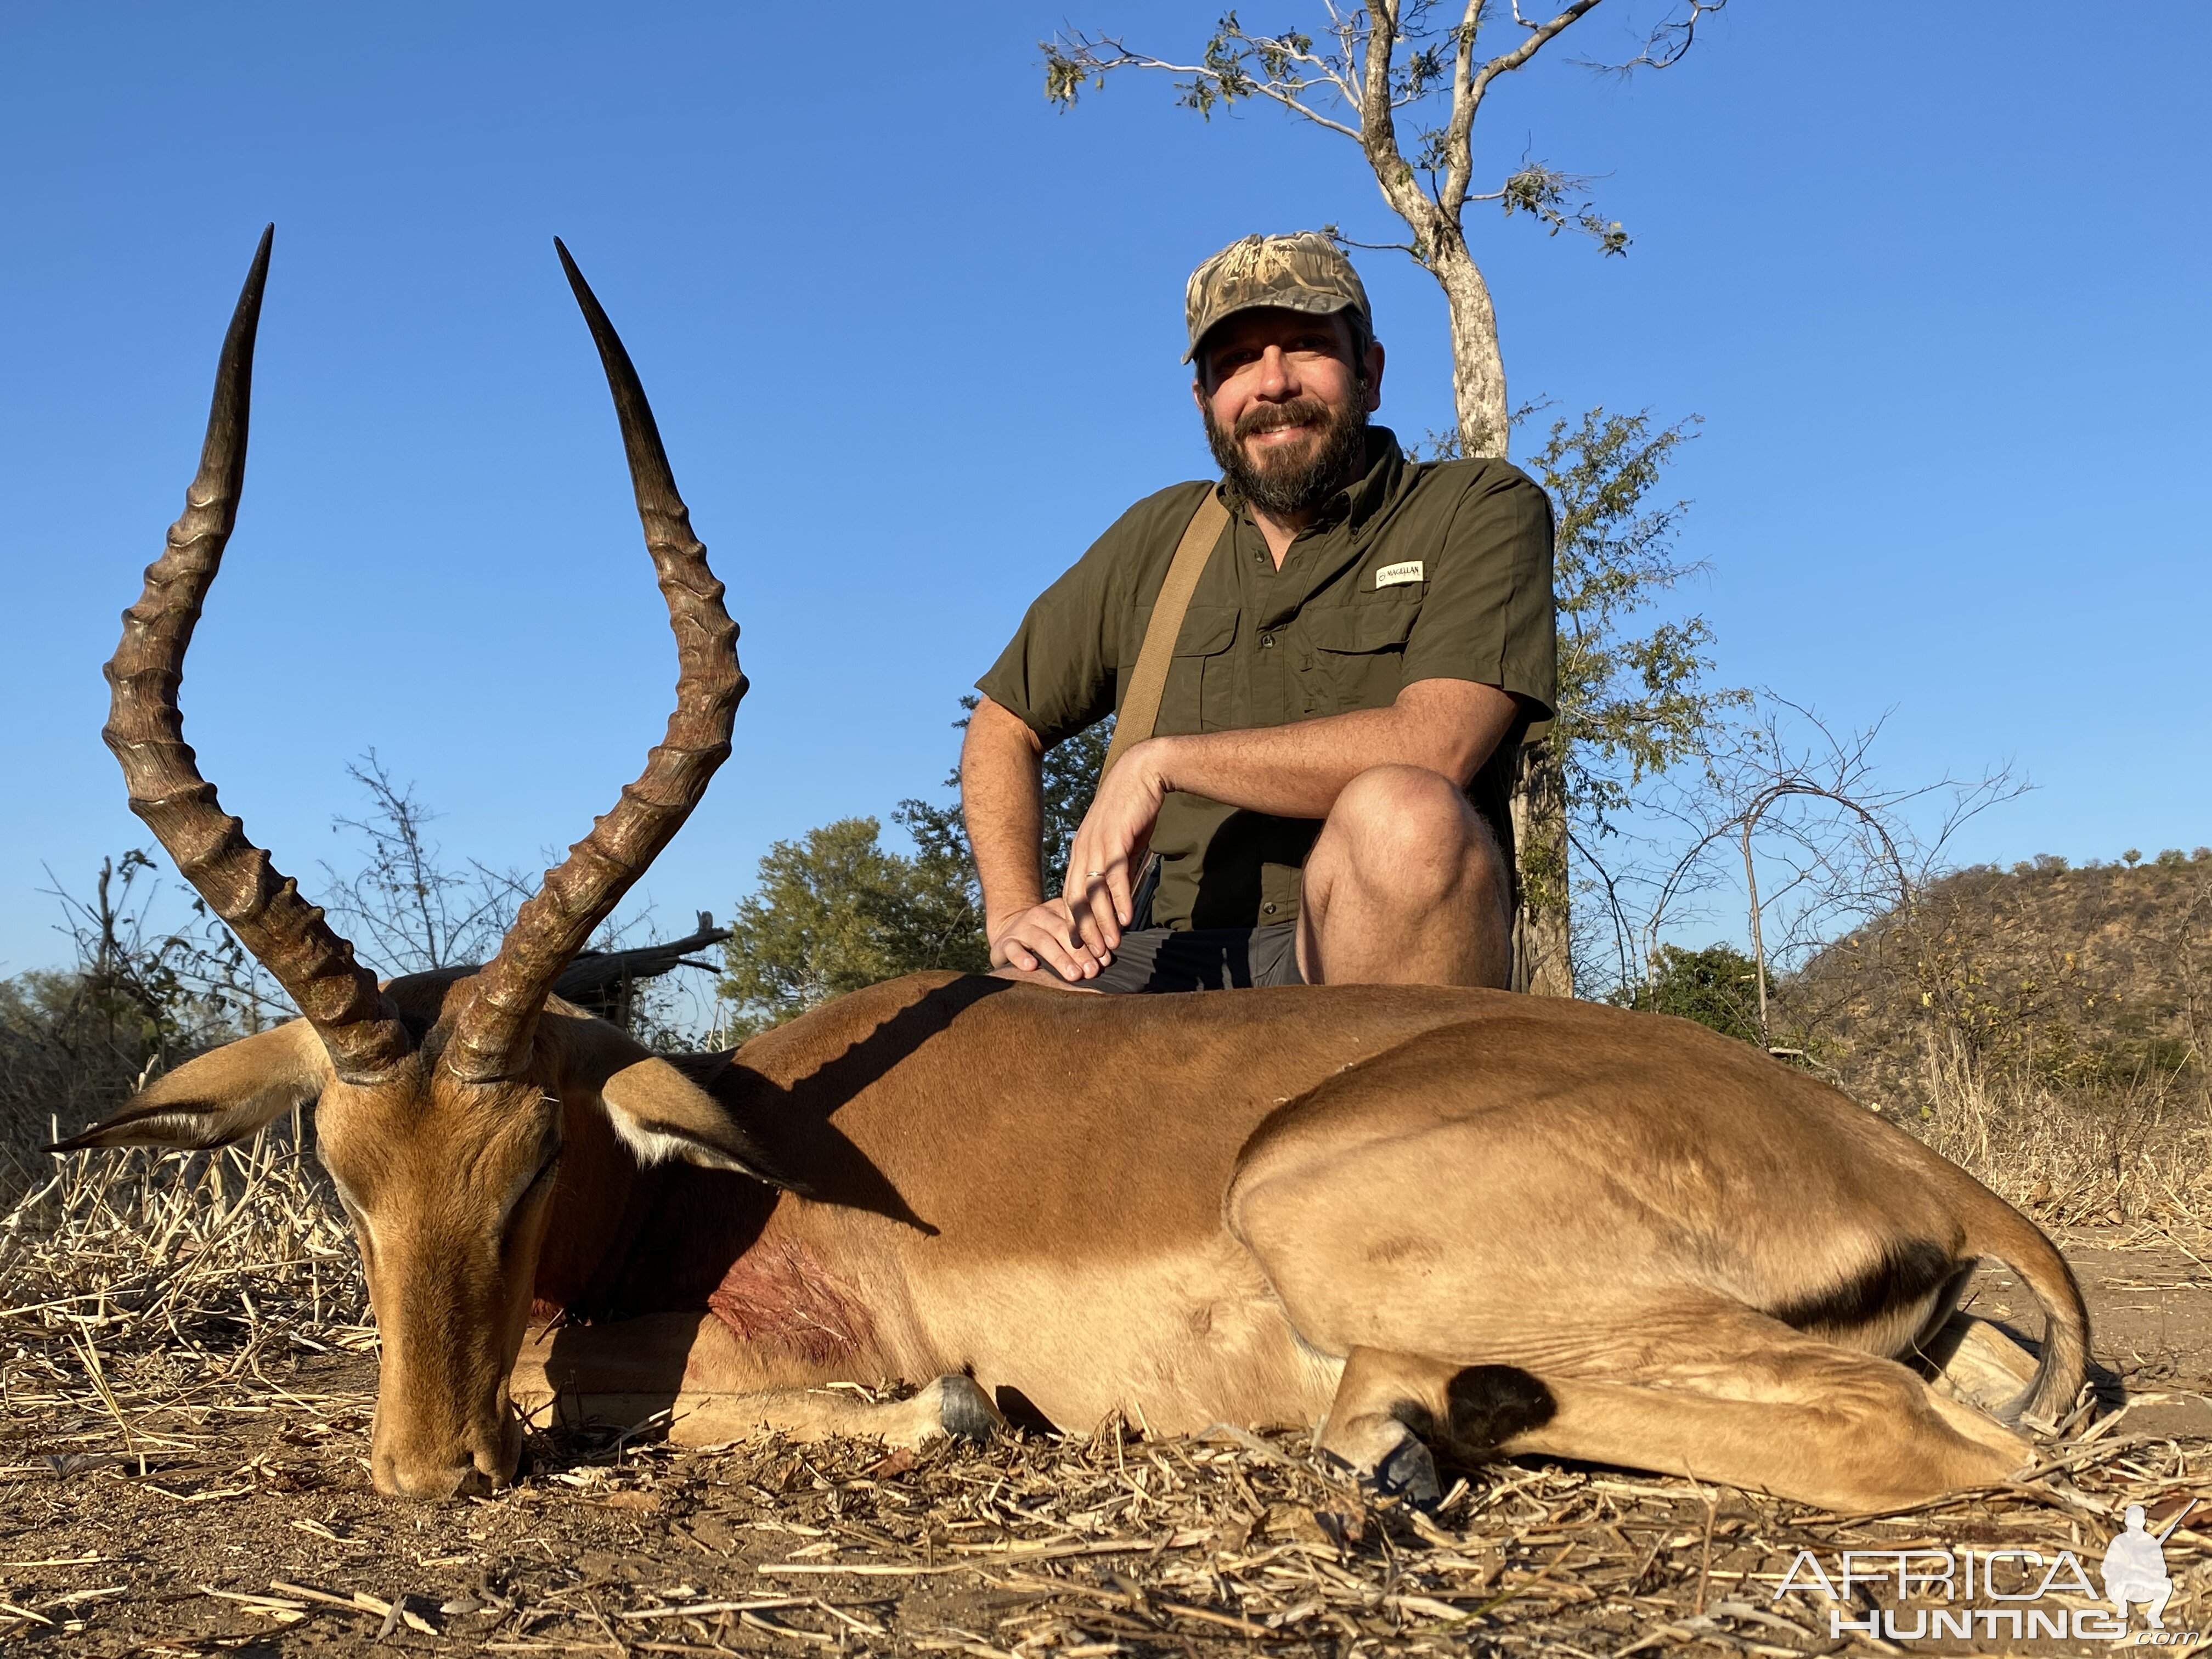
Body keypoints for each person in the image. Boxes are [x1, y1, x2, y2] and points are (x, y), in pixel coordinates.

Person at [962, 231, 1556, 994]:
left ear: (1370, 373)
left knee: (1407, 815)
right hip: (1153, 956)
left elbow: (1433, 745)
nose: (1272, 383)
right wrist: (1012, 913)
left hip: (1357, 956)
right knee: (976, 1025)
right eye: (1236, 361)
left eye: (1308, 345)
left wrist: (1160, 763)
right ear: (1207, 401)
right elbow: (1003, 723)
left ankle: (1401, 1108)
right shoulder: (1158, 535)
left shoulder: (1477, 508)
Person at [2102, 1504, 2176, 1629]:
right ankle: (2124, 1611)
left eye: (2138, 1520)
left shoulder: (2150, 1541)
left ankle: (2154, 1615)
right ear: (2126, 1521)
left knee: (2167, 1585)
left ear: (2143, 1522)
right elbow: (2106, 1569)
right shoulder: (2119, 1541)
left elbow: (2162, 1571)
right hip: (2124, 1586)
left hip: (2143, 1586)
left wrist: (2148, 1569)